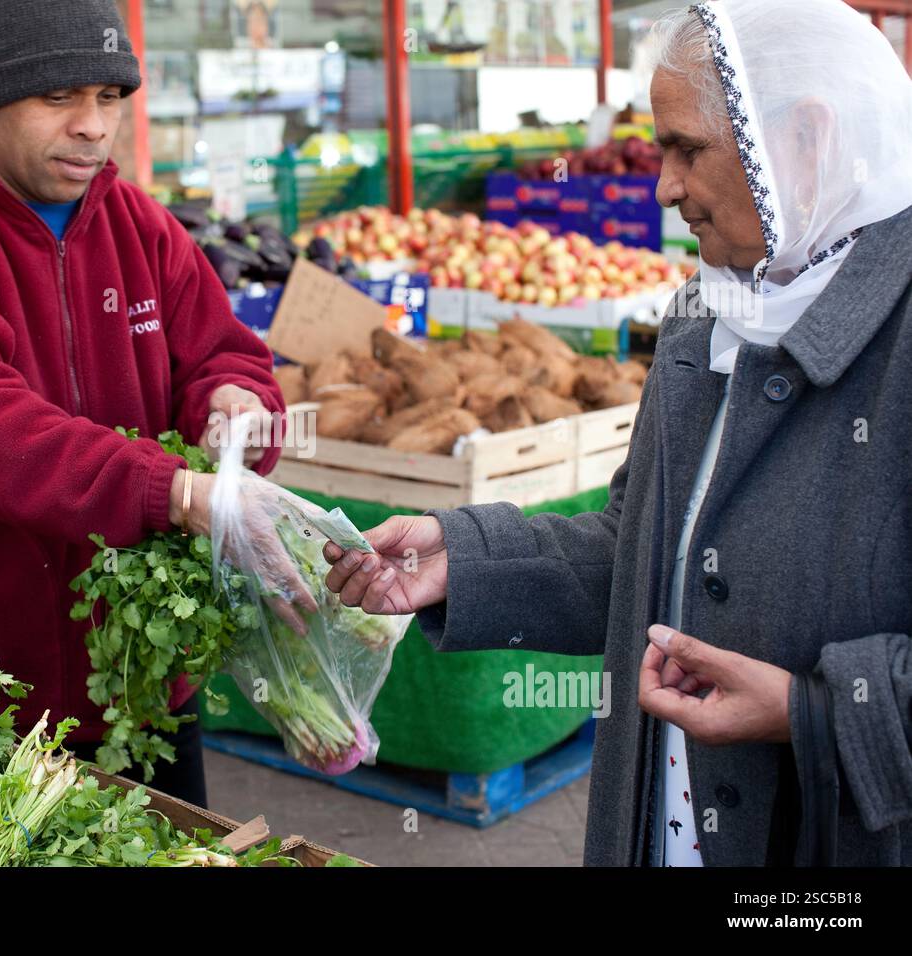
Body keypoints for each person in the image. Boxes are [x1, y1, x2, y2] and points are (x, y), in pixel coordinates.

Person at [324, 0, 912, 866]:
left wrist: (810, 712)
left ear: (806, 137)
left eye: (687, 149)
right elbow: (636, 548)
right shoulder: (704, 313)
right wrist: (467, 559)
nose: (664, 187)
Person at [0, 0, 295, 806]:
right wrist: (171, 490)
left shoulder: (143, 227)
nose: (93, 126)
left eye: (110, 97)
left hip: (140, 675)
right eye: (60, 97)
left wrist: (237, 402)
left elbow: (223, 353)